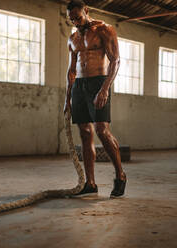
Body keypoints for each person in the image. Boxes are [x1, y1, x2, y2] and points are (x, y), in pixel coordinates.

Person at [64, 0, 127, 198]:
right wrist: (67, 98)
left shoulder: (105, 29)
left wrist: (104, 89)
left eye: (78, 17)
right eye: (71, 19)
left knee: (101, 130)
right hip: (79, 86)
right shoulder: (72, 38)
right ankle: (90, 183)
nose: (75, 22)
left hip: (99, 83)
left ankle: (120, 175)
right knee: (84, 132)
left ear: (87, 11)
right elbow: (72, 70)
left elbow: (115, 60)